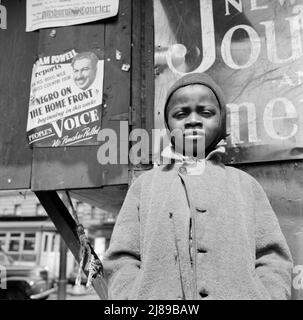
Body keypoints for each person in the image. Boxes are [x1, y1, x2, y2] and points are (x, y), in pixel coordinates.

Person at [103, 73, 293, 300]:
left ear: (221, 120)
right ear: (168, 125)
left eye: (206, 112)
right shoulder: (144, 186)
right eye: (181, 113)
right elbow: (122, 258)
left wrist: (266, 295)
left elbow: (272, 257)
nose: (193, 120)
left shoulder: (245, 185)